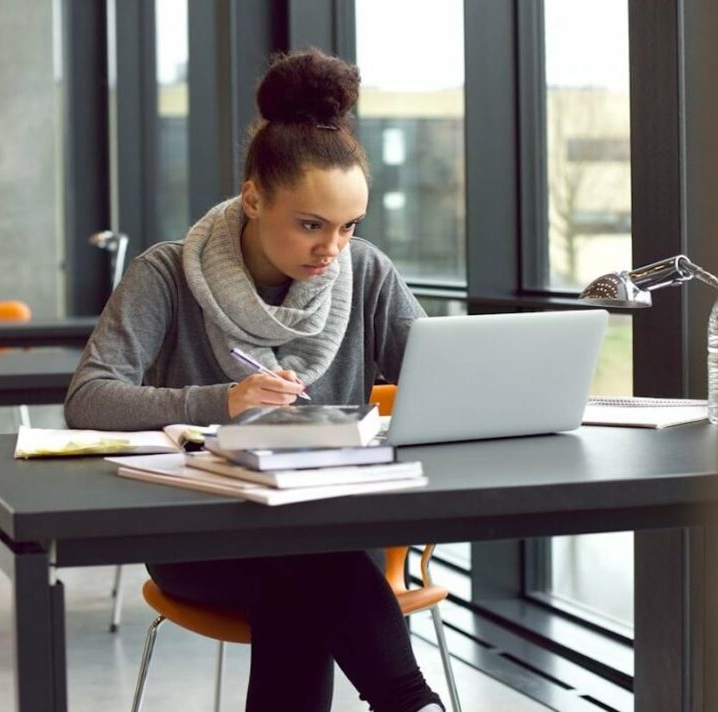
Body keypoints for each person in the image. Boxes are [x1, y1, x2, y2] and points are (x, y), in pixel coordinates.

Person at [65, 48, 444, 712]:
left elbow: (441, 382)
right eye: (310, 225)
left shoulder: (366, 273)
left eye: (349, 227)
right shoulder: (166, 273)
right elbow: (89, 396)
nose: (332, 250)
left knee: (300, 572)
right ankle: (411, 704)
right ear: (253, 199)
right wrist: (223, 401)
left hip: (329, 531)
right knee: (309, 567)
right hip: (201, 541)